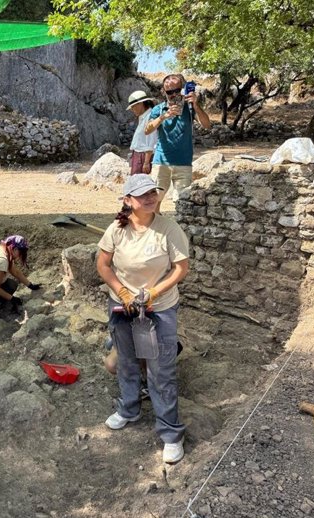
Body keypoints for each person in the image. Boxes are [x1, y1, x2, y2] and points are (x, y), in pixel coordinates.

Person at [96, 174, 190, 464]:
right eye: (141, 195)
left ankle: (171, 433)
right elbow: (102, 264)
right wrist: (122, 291)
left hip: (158, 308)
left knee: (160, 370)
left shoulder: (168, 229)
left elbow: (180, 269)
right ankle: (129, 408)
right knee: (125, 360)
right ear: (128, 200)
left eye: (153, 192)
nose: (150, 198)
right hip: (122, 306)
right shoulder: (116, 229)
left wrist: (154, 292)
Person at [144, 74, 211, 211]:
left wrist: (196, 105)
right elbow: (147, 130)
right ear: (164, 92)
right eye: (170, 92)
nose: (174, 95)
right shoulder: (159, 109)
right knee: (155, 200)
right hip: (161, 162)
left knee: (182, 202)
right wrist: (164, 116)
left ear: (182, 89)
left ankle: (176, 230)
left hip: (183, 163)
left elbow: (207, 125)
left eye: (177, 90)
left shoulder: (189, 108)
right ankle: (155, 229)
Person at [126, 90, 158, 175]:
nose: (132, 109)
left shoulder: (150, 117)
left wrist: (146, 162)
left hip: (143, 157)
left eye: (133, 106)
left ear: (141, 104)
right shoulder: (143, 117)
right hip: (139, 156)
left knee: (141, 184)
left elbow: (151, 140)